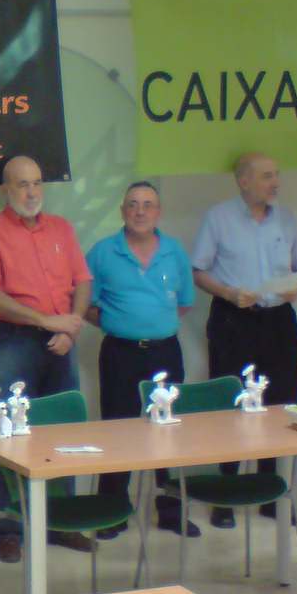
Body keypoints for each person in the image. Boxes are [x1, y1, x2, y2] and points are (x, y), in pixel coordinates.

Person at [0, 154, 93, 560]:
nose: (31, 192)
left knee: (62, 430)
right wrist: (47, 321)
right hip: (14, 339)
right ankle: (11, 528)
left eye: (37, 183)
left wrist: (71, 325)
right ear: (5, 189)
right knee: (8, 431)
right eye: (22, 184)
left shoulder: (61, 228)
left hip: (61, 340)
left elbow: (83, 281)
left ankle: (60, 521)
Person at [191, 153, 297, 529]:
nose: (275, 183)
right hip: (234, 319)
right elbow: (198, 270)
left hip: (278, 320)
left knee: (280, 405)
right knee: (231, 404)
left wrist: (295, 286)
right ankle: (225, 494)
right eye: (266, 176)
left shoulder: (286, 218)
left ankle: (270, 492)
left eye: (276, 175)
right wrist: (229, 293)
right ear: (243, 181)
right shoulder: (218, 218)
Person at [86, 181, 197, 537]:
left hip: (165, 352)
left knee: (168, 430)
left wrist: (154, 325)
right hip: (120, 353)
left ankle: (171, 511)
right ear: (122, 211)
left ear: (158, 212)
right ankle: (112, 512)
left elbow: (184, 302)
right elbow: (84, 303)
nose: (140, 211)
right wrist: (121, 323)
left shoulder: (174, 251)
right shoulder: (103, 252)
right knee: (117, 430)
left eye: (148, 204)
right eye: (133, 204)